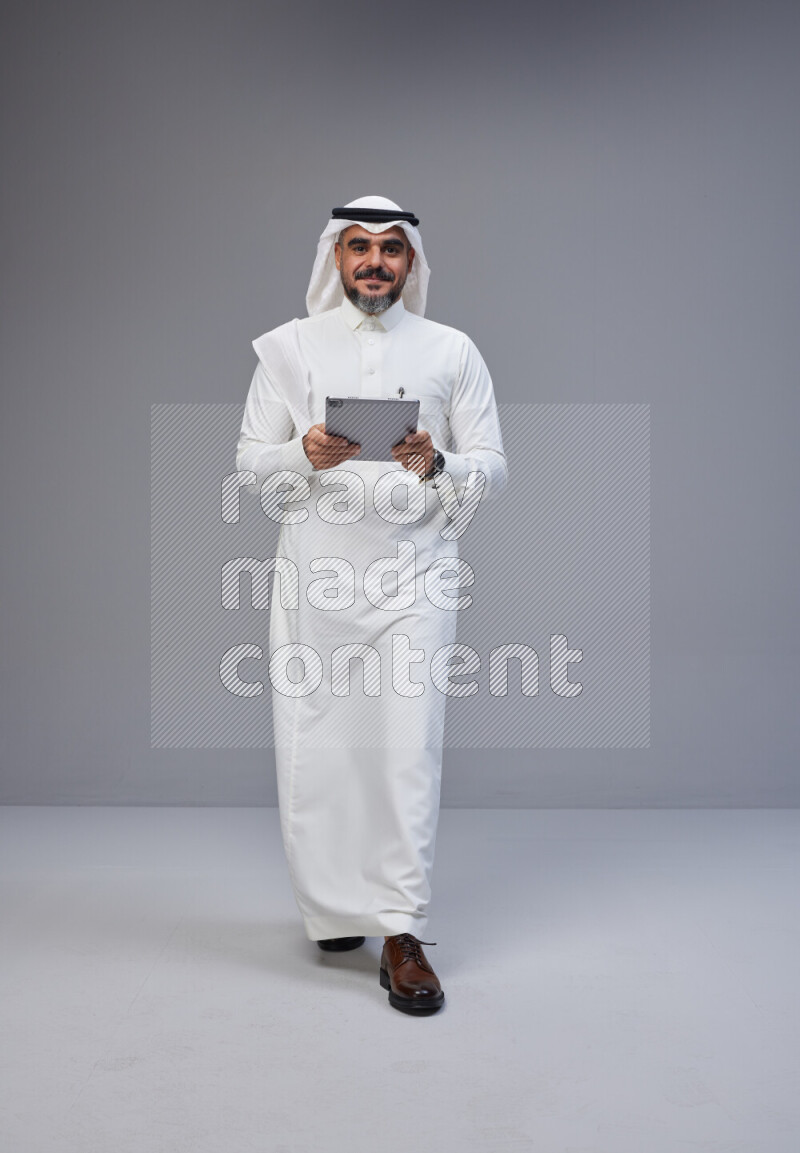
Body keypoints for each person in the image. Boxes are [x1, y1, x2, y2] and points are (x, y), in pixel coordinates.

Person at [235, 195, 507, 1015]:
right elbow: (252, 465)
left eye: (391, 248)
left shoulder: (451, 350)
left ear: (413, 262)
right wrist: (301, 450)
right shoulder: (290, 348)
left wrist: (438, 463)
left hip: (414, 579)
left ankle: (401, 930)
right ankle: (331, 909)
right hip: (316, 581)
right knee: (317, 745)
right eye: (359, 247)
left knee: (405, 748)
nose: (375, 262)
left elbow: (493, 466)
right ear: (336, 257)